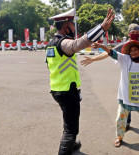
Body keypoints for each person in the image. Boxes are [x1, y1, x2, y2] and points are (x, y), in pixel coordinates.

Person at [46, 8, 115, 155]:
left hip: (57, 89)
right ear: (65, 26)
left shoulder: (50, 44)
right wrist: (101, 28)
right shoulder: (63, 43)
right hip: (67, 91)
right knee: (71, 129)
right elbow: (77, 44)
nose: (74, 27)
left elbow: (50, 65)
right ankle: (66, 147)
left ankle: (72, 144)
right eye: (72, 24)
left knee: (68, 120)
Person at [92, 40, 139, 147]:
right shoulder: (125, 59)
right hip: (124, 97)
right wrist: (101, 46)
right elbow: (112, 53)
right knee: (120, 118)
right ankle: (119, 137)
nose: (133, 52)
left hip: (138, 97)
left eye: (135, 50)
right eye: (131, 50)